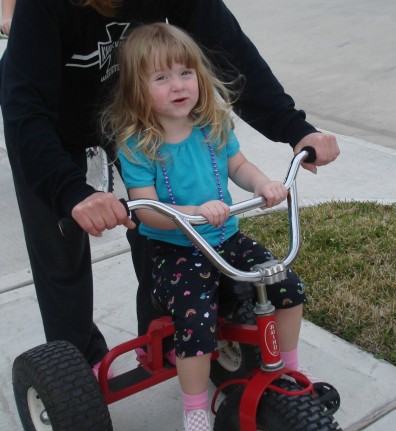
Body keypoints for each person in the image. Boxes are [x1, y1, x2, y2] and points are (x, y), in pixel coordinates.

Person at [0, 0, 340, 378]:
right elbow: (24, 108)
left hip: (139, 110)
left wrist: (293, 127)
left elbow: (229, 50)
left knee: (161, 222)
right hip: (53, 120)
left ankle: (166, 333)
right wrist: (71, 192)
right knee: (59, 245)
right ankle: (75, 367)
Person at [103, 22, 310, 431]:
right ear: (138, 91)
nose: (177, 85)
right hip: (178, 249)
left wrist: (263, 184)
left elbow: (239, 166)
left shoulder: (211, 125)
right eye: (161, 78)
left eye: (185, 73)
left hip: (227, 237)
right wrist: (192, 213)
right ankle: (196, 411)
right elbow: (143, 208)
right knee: (196, 325)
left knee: (286, 285)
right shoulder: (137, 144)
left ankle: (289, 370)